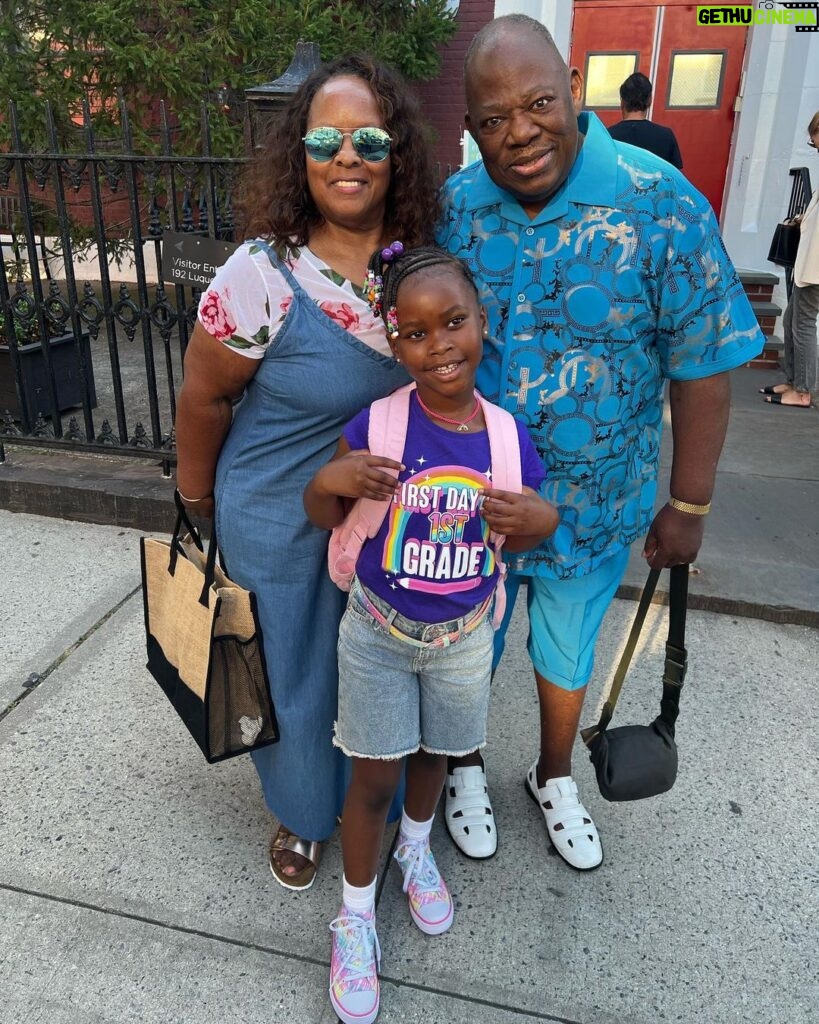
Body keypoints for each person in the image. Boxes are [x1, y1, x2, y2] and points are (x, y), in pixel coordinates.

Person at [437, 14, 764, 868]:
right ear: (471, 129)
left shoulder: (659, 204)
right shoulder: (455, 209)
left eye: (537, 103)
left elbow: (702, 366)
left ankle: (551, 775)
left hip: (593, 501)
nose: (520, 133)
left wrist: (687, 505)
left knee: (565, 651)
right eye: (493, 119)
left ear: (572, 87)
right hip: (475, 503)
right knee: (468, 644)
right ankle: (463, 766)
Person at [173, 54, 441, 892]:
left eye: (369, 138)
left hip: (379, 520)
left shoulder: (415, 269)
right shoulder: (260, 272)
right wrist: (194, 503)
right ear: (300, 154)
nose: (347, 156)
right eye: (325, 139)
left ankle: (370, 801)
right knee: (291, 673)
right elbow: (203, 399)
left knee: (367, 667)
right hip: (276, 514)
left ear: (396, 152)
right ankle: (300, 812)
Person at [304, 245, 557, 1024]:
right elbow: (322, 509)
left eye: (453, 323)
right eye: (414, 333)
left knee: (434, 760)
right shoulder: (378, 423)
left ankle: (415, 850)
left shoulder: (507, 439)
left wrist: (538, 519)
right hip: (377, 633)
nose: (438, 345)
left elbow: (533, 526)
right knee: (373, 774)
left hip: (463, 639)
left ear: (483, 323)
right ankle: (354, 914)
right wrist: (332, 482)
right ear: (394, 341)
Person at [759, 111, 819, 409]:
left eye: (815, 141)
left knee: (803, 324)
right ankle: (795, 382)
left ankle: (804, 391)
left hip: (817, 267)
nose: (814, 146)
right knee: (791, 319)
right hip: (809, 263)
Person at [607, 72, 683, 169]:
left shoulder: (607, 137)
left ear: (622, 101)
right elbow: (675, 179)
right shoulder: (666, 136)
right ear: (649, 101)